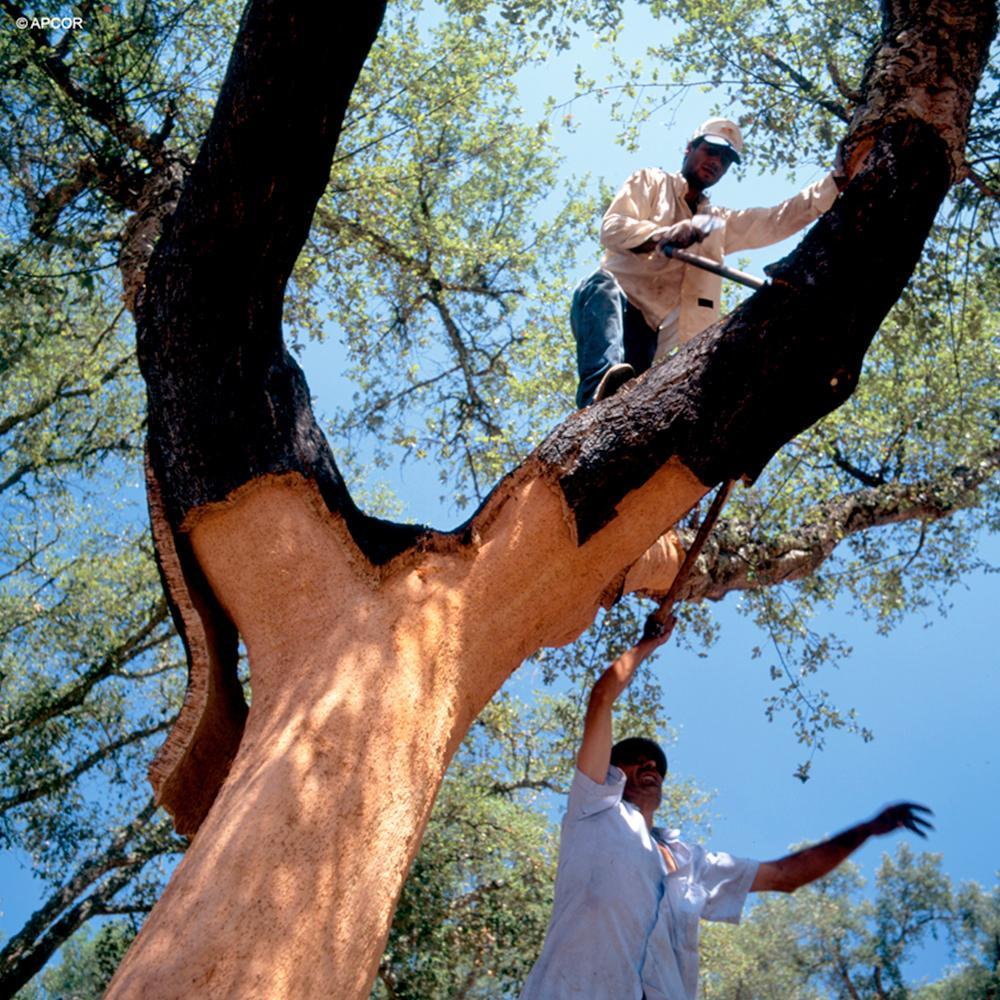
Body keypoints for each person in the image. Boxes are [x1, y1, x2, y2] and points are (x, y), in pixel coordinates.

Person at [520, 621, 933, 999]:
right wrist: (650, 643)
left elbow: (786, 877)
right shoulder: (594, 808)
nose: (650, 766)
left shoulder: (691, 862)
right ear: (611, 769)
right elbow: (601, 697)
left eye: (657, 765)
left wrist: (868, 828)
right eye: (636, 758)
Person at [572, 118, 841, 407]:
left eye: (725, 160)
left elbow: (776, 219)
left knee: (626, 396)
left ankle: (610, 405)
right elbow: (612, 228)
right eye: (711, 151)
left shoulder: (715, 224)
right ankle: (595, 394)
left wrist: (835, 183)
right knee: (600, 286)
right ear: (689, 148)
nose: (716, 162)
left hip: (650, 333)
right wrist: (662, 234)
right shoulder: (650, 181)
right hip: (606, 306)